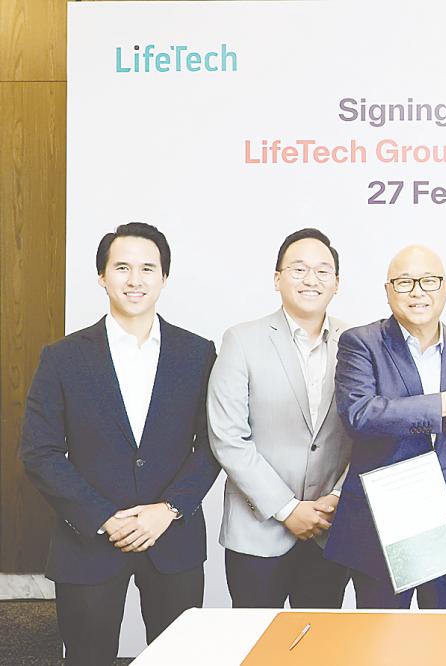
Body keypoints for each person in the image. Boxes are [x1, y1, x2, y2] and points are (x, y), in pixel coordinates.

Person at [20, 222, 219, 665]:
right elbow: (40, 451)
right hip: (87, 543)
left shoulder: (197, 353)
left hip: (172, 538)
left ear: (164, 278)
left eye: (148, 268)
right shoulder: (63, 357)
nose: (135, 280)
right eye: (122, 267)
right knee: (88, 658)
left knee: (180, 660)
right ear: (101, 276)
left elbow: (211, 446)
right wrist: (104, 517)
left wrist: (167, 510)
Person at [325, 245, 446, 608]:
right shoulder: (360, 343)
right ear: (388, 290)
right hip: (380, 534)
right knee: (381, 648)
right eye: (404, 282)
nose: (418, 291)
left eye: (429, 281)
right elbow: (361, 416)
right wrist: (444, 404)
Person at [207, 228, 352, 608]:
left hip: (330, 527)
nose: (311, 280)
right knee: (255, 646)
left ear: (337, 283)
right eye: (299, 269)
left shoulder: (357, 343)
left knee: (320, 649)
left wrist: (338, 496)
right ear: (277, 279)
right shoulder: (242, 340)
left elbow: (369, 433)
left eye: (323, 271)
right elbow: (228, 437)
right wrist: (288, 509)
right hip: (258, 530)